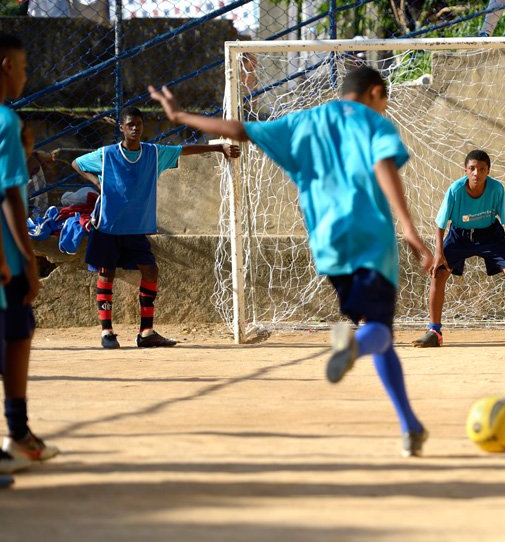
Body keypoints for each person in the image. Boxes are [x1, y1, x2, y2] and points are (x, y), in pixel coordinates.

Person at [148, 65, 434, 457]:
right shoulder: (372, 121)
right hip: (371, 239)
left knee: (377, 333)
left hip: (329, 246)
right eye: (384, 101)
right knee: (380, 331)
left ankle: (411, 426)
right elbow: (383, 166)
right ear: (375, 93)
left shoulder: (303, 121)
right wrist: (410, 229)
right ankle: (350, 348)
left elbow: (239, 130)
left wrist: (180, 117)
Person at [71, 107, 240, 349]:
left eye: (138, 124)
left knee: (150, 271)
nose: (135, 128)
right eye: (130, 124)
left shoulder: (153, 153)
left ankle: (146, 332)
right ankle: (107, 332)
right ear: (121, 128)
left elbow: (184, 150)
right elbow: (76, 163)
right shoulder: (107, 155)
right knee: (106, 273)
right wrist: (97, 181)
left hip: (135, 229)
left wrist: (218, 147)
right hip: (108, 226)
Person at [412, 150, 505, 348]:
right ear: (466, 171)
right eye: (472, 169)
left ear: (488, 171)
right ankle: (434, 331)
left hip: (490, 235)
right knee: (438, 272)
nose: (476, 173)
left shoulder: (496, 189)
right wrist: (438, 252)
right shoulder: (455, 190)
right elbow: (440, 223)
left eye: (481, 169)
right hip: (459, 236)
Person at [0, 33, 57, 465]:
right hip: (6, 254)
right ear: (5, 67)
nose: (24, 76)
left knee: (19, 333)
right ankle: (17, 432)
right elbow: (11, 198)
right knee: (16, 335)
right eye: (22, 68)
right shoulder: (6, 122)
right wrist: (25, 260)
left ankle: (19, 433)